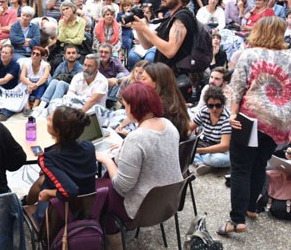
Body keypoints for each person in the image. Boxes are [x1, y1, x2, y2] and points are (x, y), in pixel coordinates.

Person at [219, 16, 291, 236]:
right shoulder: (289, 58)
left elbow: (237, 87)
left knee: (240, 167)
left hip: (250, 119)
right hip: (279, 123)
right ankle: (251, 207)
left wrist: (232, 114)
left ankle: (236, 220)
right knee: (260, 164)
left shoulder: (249, 54)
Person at [96, 82, 182, 241]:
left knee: (99, 189)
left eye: (126, 105)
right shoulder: (169, 125)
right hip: (169, 200)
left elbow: (121, 186)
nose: (124, 109)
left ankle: (111, 237)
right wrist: (125, 146)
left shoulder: (136, 139)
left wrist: (107, 160)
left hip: (142, 208)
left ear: (133, 107)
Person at [25, 107, 96, 223]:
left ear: (57, 131)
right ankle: (27, 203)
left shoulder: (48, 159)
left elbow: (71, 191)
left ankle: (29, 209)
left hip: (59, 215)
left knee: (42, 183)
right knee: (43, 179)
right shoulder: (89, 147)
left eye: (50, 119)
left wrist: (48, 193)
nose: (47, 118)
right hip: (85, 208)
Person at [132, 0, 195, 76]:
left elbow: (170, 51)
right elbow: (146, 45)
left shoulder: (182, 18)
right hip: (163, 76)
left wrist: (144, 29)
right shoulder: (169, 18)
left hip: (175, 79)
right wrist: (139, 29)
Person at [141, 63, 191, 141]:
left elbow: (150, 139)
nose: (140, 82)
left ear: (156, 83)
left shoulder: (159, 107)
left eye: (144, 79)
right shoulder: (175, 100)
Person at [189, 87, 231, 174]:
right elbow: (189, 128)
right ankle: (201, 163)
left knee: (218, 160)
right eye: (211, 106)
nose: (214, 109)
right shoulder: (204, 111)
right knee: (186, 147)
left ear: (223, 104)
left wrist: (200, 151)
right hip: (204, 143)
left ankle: (198, 160)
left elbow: (224, 146)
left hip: (220, 150)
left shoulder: (227, 118)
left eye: (218, 105)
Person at [19, 46, 51, 115]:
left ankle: (34, 107)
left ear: (41, 57)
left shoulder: (45, 65)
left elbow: (45, 77)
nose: (34, 56)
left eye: (37, 54)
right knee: (22, 83)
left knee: (42, 84)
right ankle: (26, 106)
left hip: (40, 86)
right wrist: (30, 84)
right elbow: (22, 77)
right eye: (33, 53)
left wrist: (36, 85)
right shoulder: (26, 63)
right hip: (29, 86)